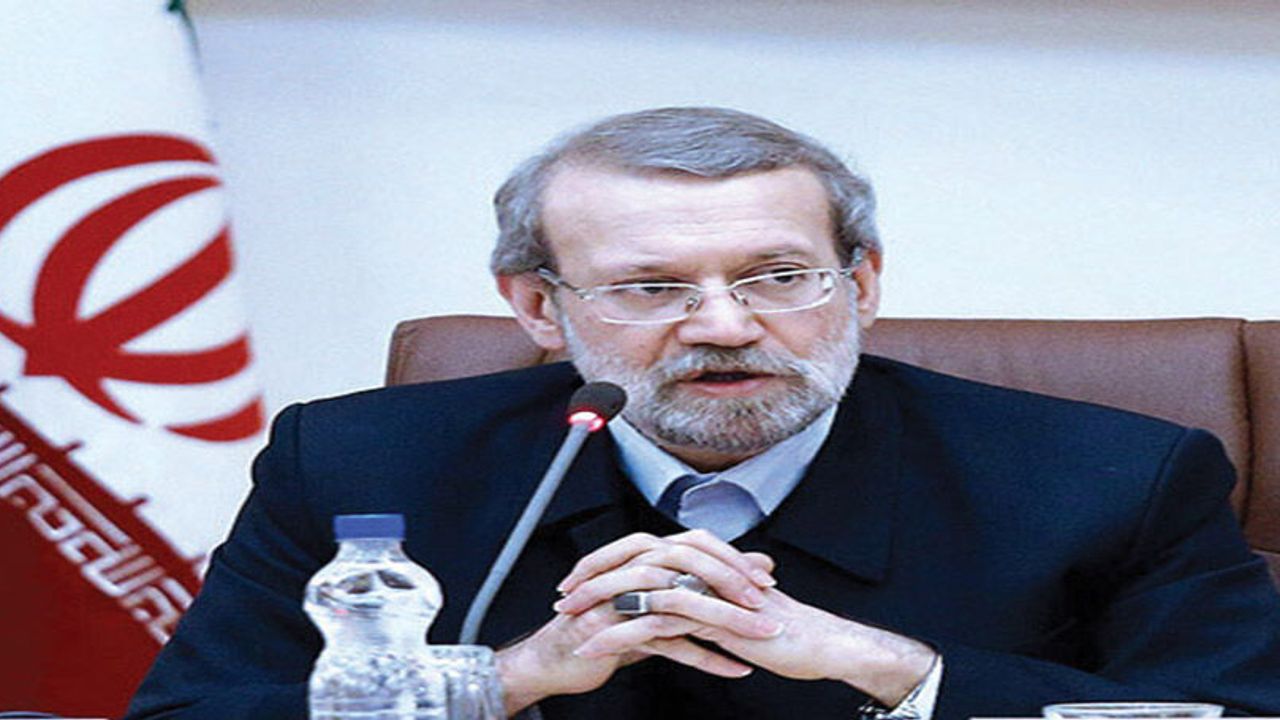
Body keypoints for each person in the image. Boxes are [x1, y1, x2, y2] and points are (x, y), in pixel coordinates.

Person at [126, 107, 1280, 720]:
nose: (724, 326)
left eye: (779, 277)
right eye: (649, 288)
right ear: (536, 307)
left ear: (862, 284)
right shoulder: (357, 463)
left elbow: (1229, 718)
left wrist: (887, 667)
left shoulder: (1111, 477)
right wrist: (508, 676)